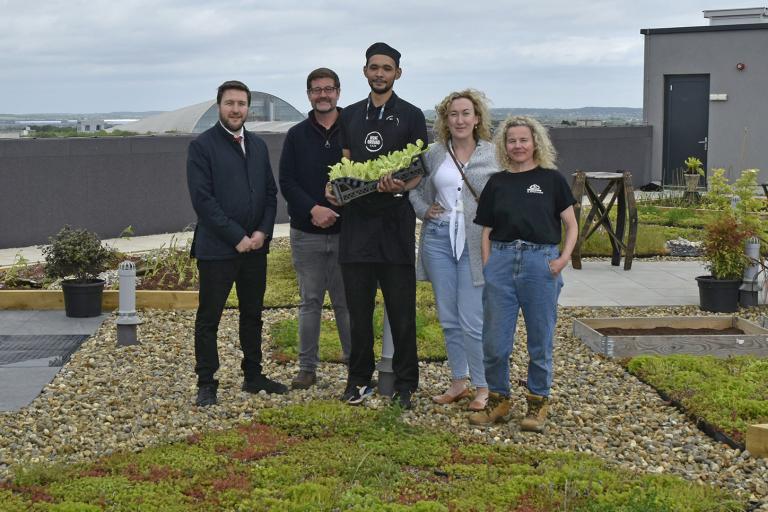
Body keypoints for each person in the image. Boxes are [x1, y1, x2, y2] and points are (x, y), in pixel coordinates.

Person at [326, 42, 428, 409]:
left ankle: (406, 384)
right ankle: (358, 380)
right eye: (374, 67)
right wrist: (334, 189)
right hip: (356, 227)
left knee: (402, 312)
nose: (380, 73)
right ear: (365, 71)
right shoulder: (350, 115)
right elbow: (344, 163)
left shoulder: (413, 115)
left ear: (398, 73)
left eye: (387, 68)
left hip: (395, 225)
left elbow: (419, 171)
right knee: (359, 313)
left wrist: (401, 184)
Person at [469, 115, 577, 432]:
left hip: (539, 263)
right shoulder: (497, 182)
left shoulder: (551, 179)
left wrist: (562, 260)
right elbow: (486, 229)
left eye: (523, 140)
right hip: (501, 263)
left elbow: (570, 225)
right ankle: (499, 401)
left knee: (540, 341)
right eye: (511, 140)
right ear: (505, 145)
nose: (518, 145)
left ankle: (537, 404)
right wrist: (489, 265)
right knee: (494, 342)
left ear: (535, 143)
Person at [187, 80, 287, 407]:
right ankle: (206, 381)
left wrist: (261, 233)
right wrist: (237, 237)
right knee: (209, 319)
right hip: (217, 250)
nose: (236, 109)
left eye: (241, 104)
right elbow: (203, 201)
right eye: (230, 103)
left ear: (248, 108)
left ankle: (253, 375)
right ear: (219, 106)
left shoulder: (257, 145)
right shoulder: (202, 147)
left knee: (252, 315)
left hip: (255, 250)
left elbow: (270, 195)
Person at [409, 89, 497, 411]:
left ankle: (483, 384)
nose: (460, 120)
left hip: (475, 242)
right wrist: (423, 210)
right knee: (448, 317)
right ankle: (459, 381)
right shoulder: (434, 153)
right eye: (453, 114)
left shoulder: (493, 154)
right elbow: (414, 189)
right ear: (445, 120)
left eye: (466, 113)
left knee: (471, 319)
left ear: (477, 119)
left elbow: (505, 195)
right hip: (438, 240)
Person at [279, 68, 351, 389]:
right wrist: (314, 209)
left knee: (346, 303)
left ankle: (355, 366)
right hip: (306, 233)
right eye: (316, 90)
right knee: (310, 302)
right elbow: (287, 182)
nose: (323, 95)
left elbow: (363, 175)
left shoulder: (352, 129)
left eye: (329, 89)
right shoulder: (296, 135)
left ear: (338, 92)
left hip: (347, 232)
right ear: (309, 94)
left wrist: (341, 202)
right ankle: (307, 368)